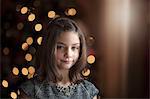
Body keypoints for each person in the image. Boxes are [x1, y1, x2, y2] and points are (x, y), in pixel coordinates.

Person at [19, 17, 100, 99]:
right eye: (60, 47)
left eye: (74, 48)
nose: (68, 54)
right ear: (49, 48)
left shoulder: (88, 91)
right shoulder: (31, 90)